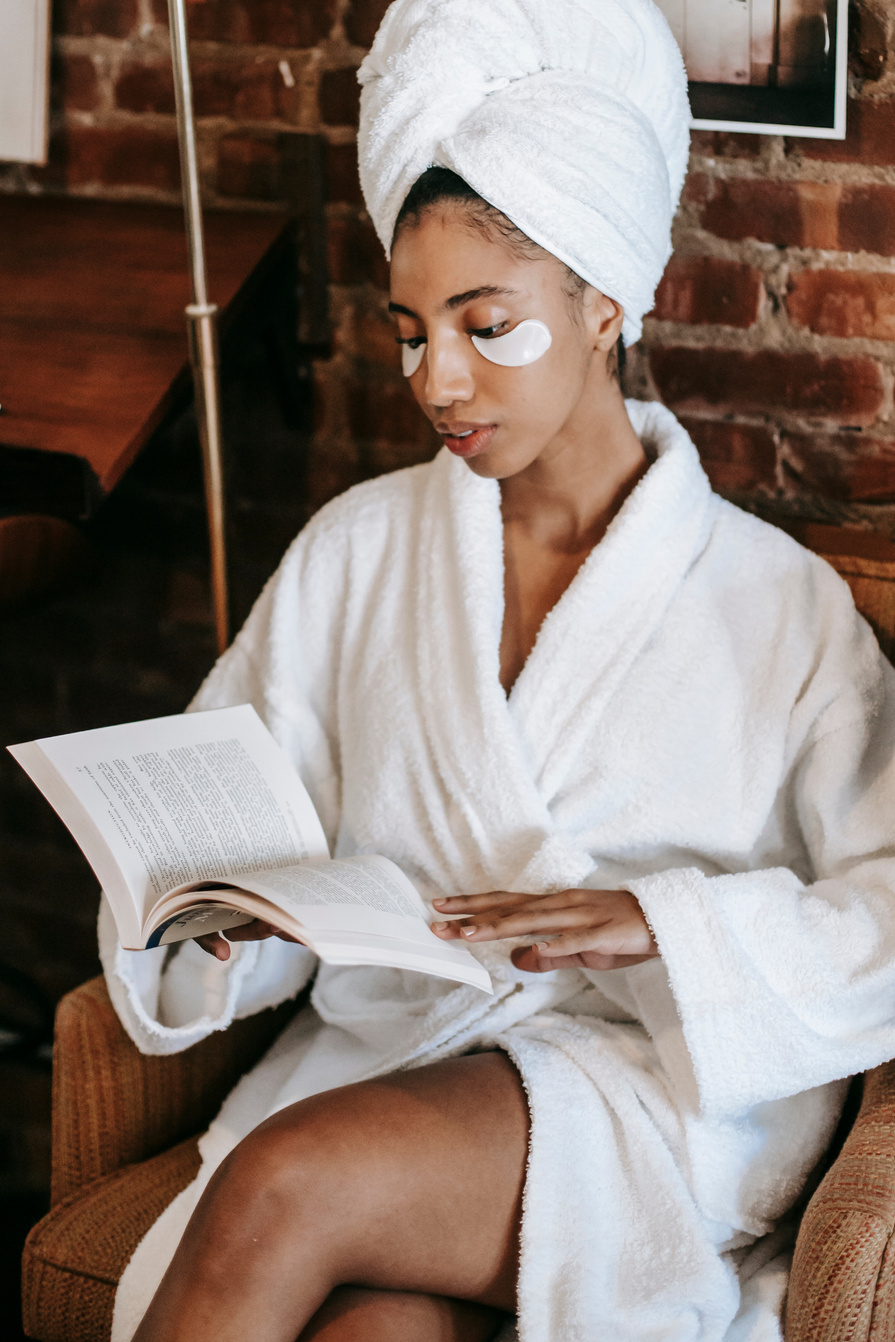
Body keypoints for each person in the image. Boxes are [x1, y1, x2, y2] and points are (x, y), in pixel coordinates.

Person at [102, 2, 895, 1340]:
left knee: (276, 1189)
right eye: (413, 332)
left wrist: (671, 928)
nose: (440, 382)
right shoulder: (360, 553)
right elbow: (237, 808)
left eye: (488, 325)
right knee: (377, 1332)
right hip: (395, 1055)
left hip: (646, 1082)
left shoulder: (780, 608)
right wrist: (224, 923)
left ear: (603, 303)